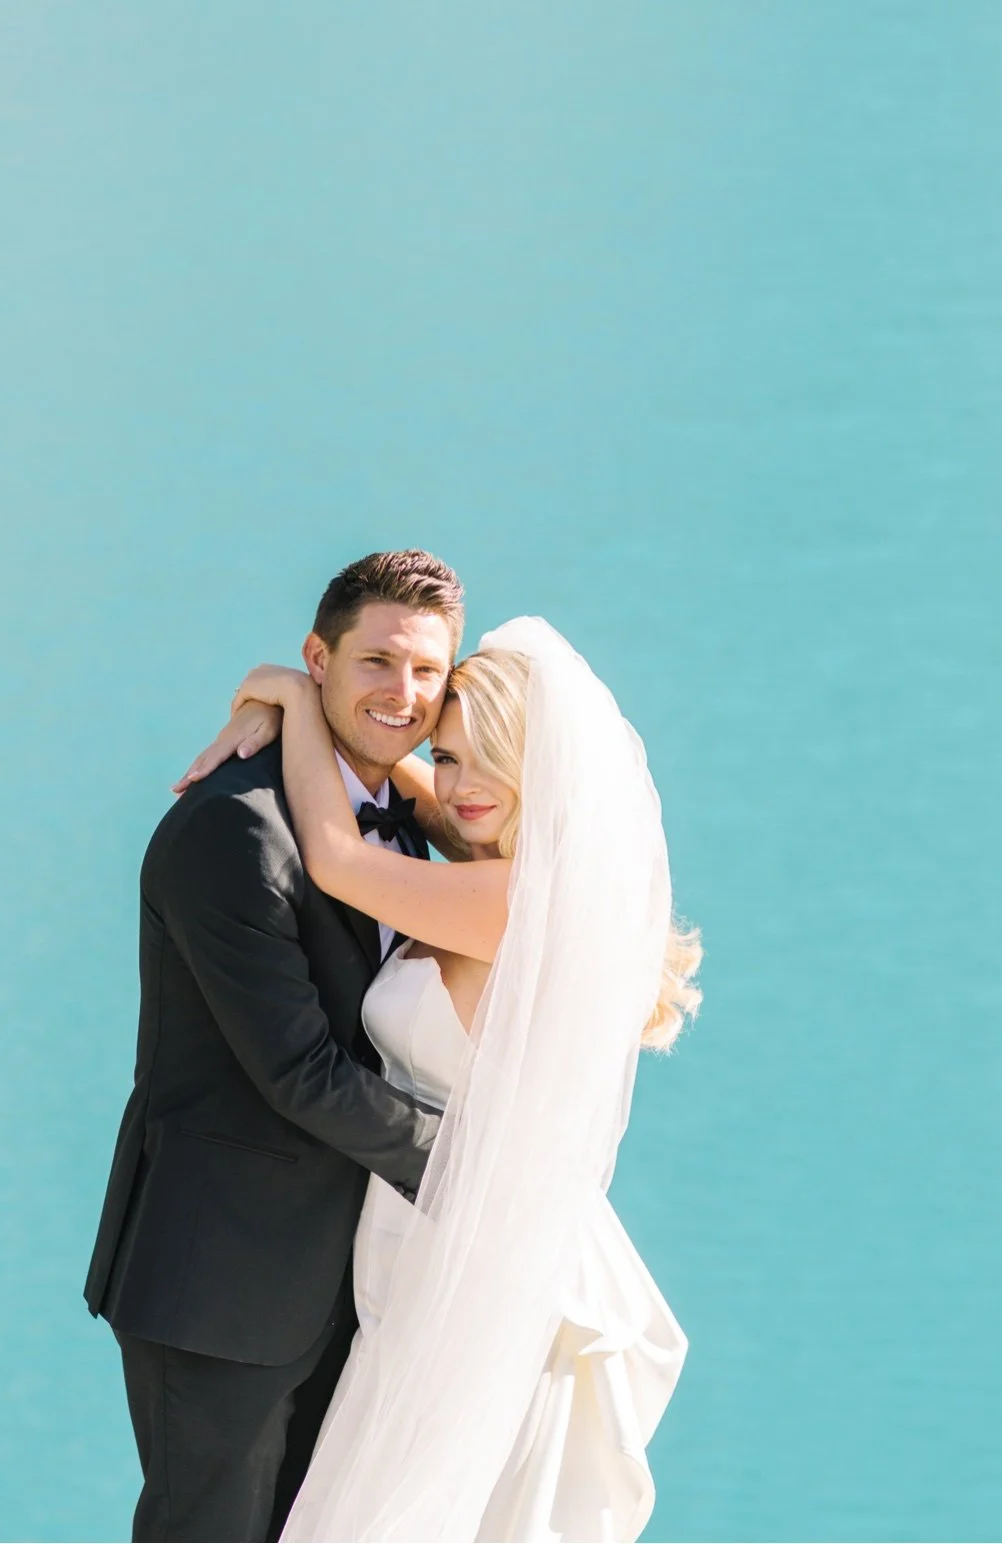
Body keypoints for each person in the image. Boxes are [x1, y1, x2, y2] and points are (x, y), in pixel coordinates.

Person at [178, 612, 701, 1542]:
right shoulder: (510, 869)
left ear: (545, 772)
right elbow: (403, 797)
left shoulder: (510, 899)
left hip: (467, 1252)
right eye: (451, 756)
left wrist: (296, 699)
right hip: (430, 1247)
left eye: (487, 759)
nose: (458, 787)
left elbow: (339, 857)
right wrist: (317, 718)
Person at [85, 551, 463, 1541]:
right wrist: (479, 1167)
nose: (404, 693)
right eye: (377, 662)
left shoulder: (422, 819)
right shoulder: (234, 833)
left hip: (361, 1280)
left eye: (428, 672)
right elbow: (302, 1072)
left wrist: (282, 698)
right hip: (228, 1283)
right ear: (319, 656)